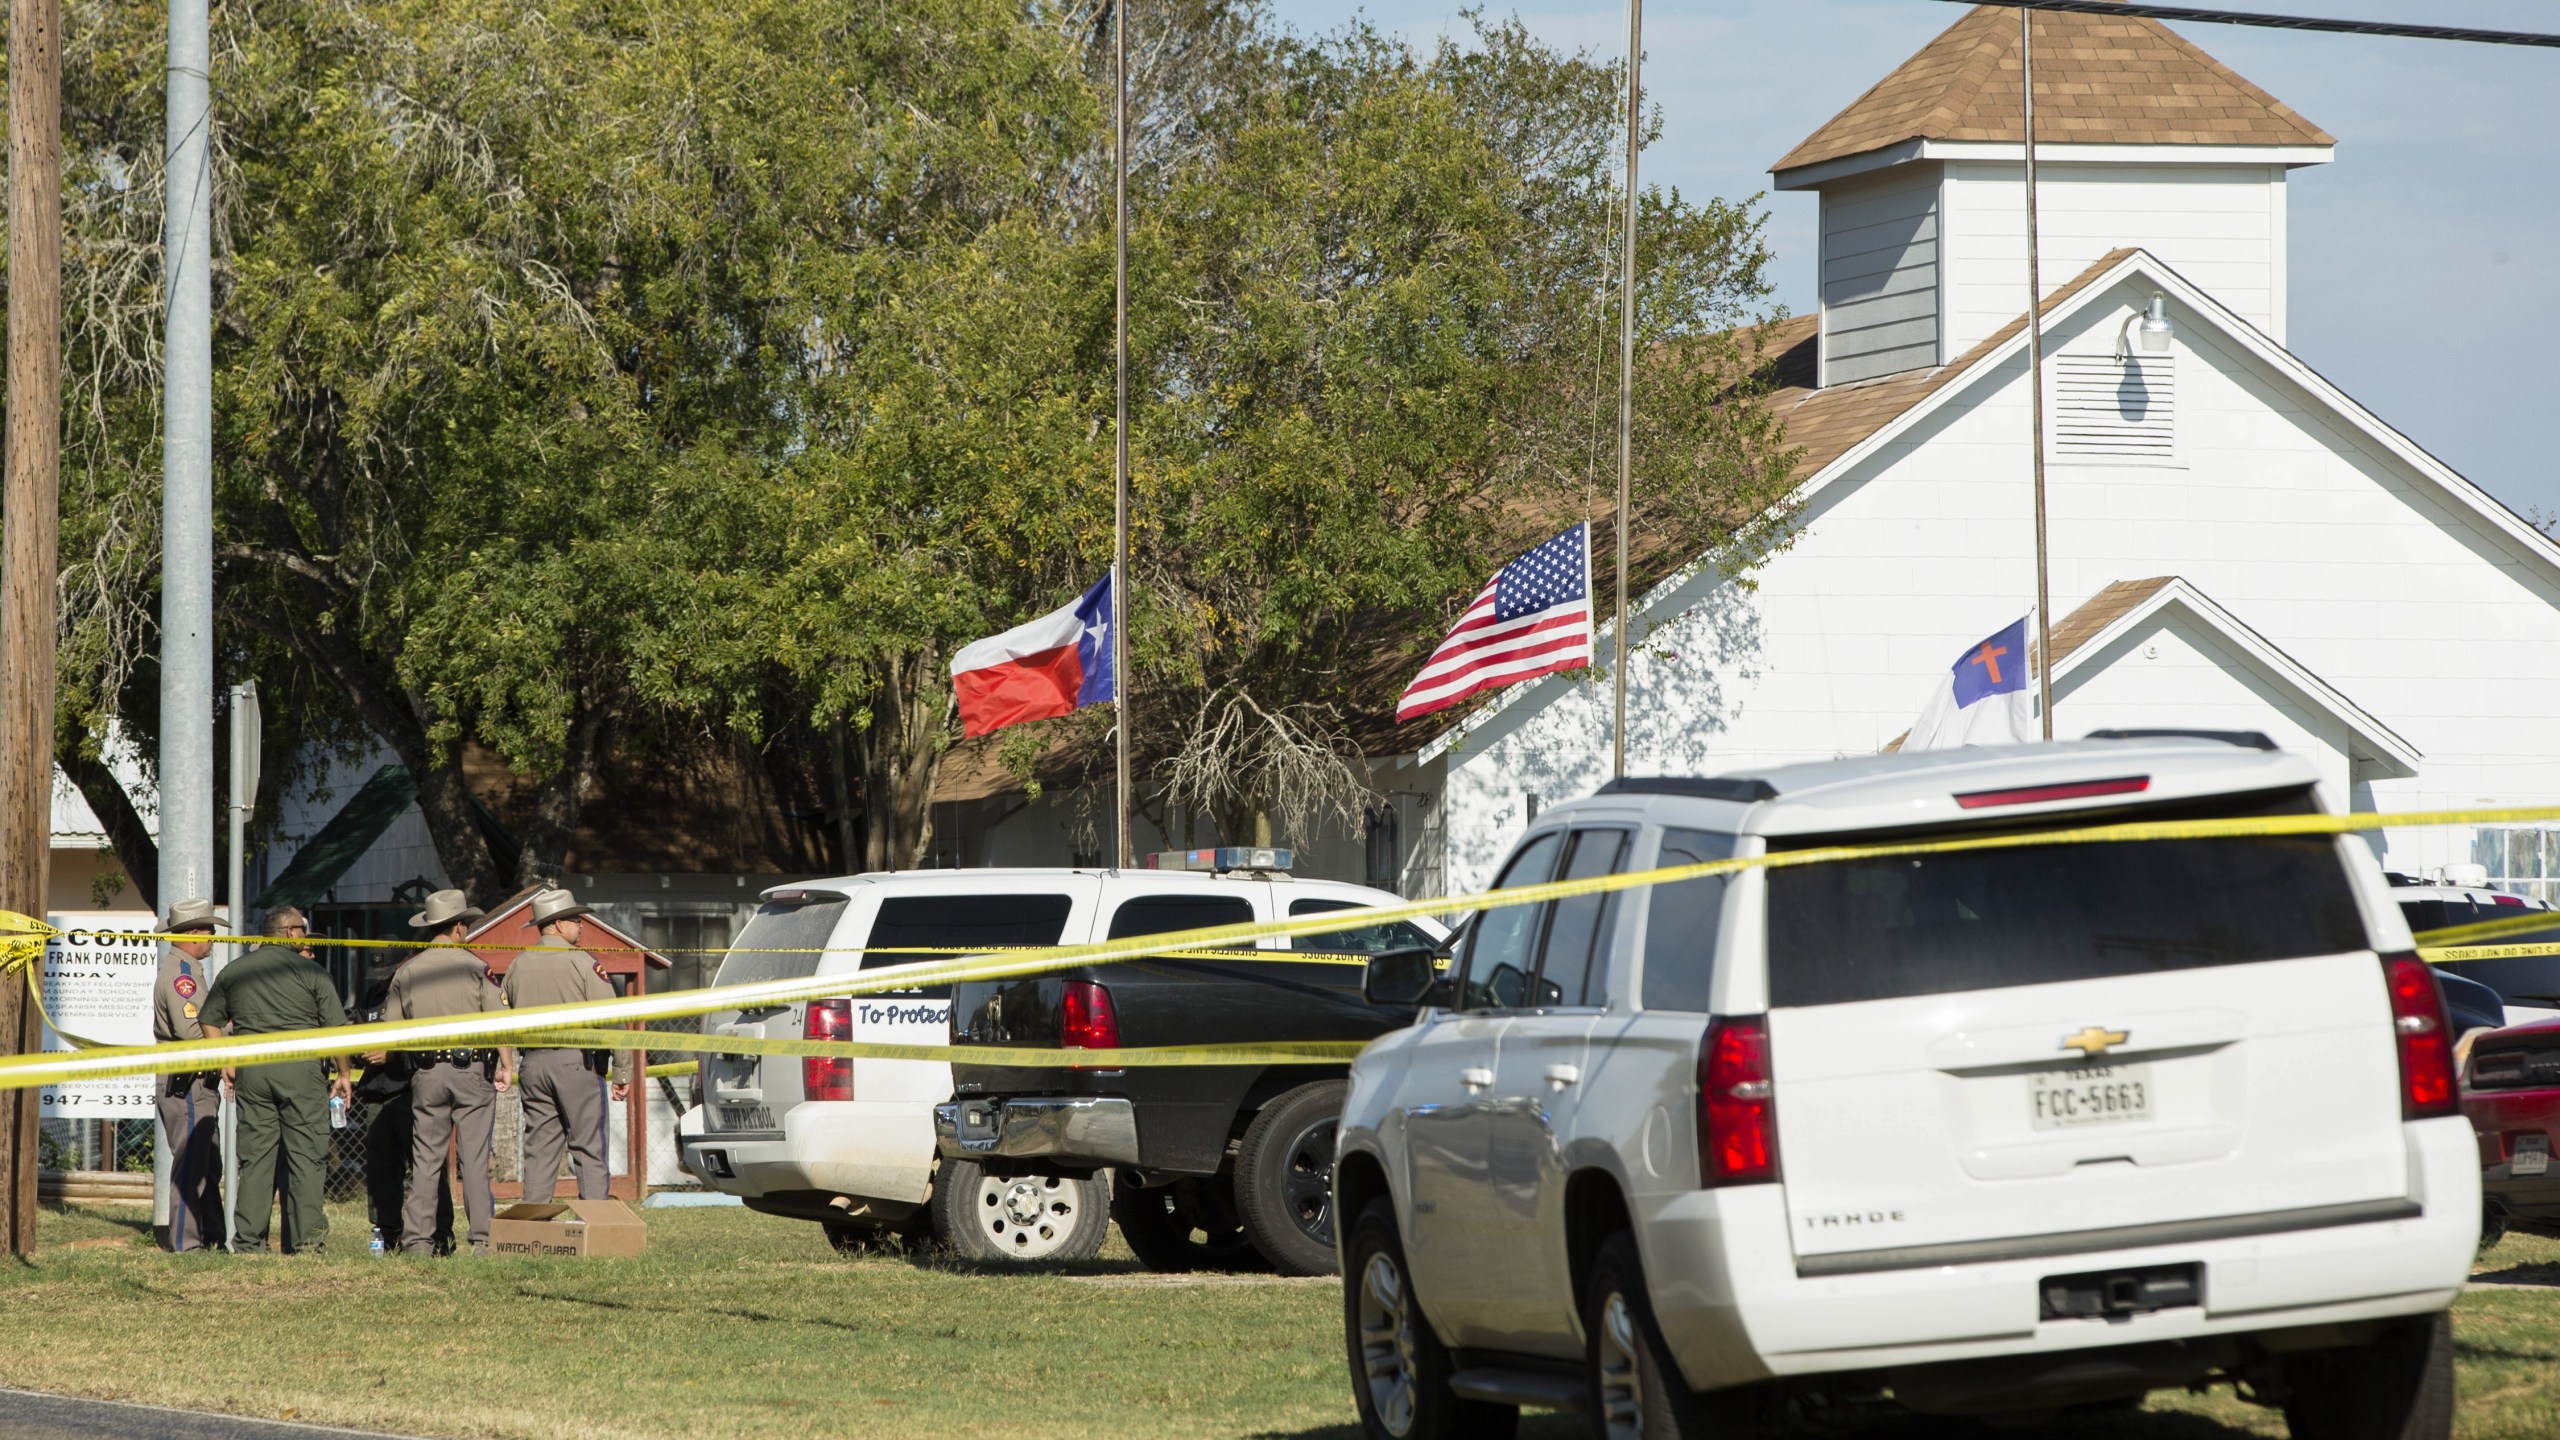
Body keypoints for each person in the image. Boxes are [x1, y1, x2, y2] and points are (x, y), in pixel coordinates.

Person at [198, 920, 355, 1254]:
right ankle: (308, 1244)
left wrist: (225, 1059)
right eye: (302, 928)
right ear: (288, 932)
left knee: (256, 1159)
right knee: (307, 1158)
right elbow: (337, 1029)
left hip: (253, 1071)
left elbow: (208, 1019)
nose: (305, 935)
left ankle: (249, 1244)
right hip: (300, 1070)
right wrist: (344, 1072)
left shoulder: (235, 970)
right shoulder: (311, 972)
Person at [383, 889, 512, 1256]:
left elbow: (391, 1030)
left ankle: (418, 1243)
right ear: (457, 927)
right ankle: (483, 1242)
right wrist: (506, 1063)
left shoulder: (406, 971)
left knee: (426, 1160)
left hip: (425, 1073)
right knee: (474, 1160)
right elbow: (500, 1021)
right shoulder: (475, 967)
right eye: (466, 926)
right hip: (471, 1070)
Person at [501, 888, 627, 1202]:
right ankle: (596, 1224)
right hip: (576, 1064)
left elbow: (500, 1016)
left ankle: (531, 1225)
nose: (581, 924)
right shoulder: (582, 963)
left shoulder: (518, 965)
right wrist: (622, 1070)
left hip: (531, 1065)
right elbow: (611, 1017)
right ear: (559, 925)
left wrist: (503, 1063)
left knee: (540, 1149)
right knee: (588, 1147)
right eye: (575, 919)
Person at [355, 956, 450, 1254]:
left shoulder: (416, 991)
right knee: (381, 1169)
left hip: (410, 1088)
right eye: (377, 973)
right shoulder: (371, 995)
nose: (381, 980)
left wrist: (393, 1053)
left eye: (387, 973)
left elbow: (430, 1036)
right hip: (376, 1091)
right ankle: (388, 1234)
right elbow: (358, 1027)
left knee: (426, 1165)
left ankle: (440, 1234)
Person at [151, 898, 225, 1253]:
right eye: (209, 931)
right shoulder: (181, 977)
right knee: (191, 1164)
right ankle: (185, 1243)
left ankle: (210, 1237)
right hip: (188, 1080)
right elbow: (193, 1032)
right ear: (194, 933)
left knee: (208, 1163)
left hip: (197, 1081)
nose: (212, 938)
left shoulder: (190, 970)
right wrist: (230, 1024)